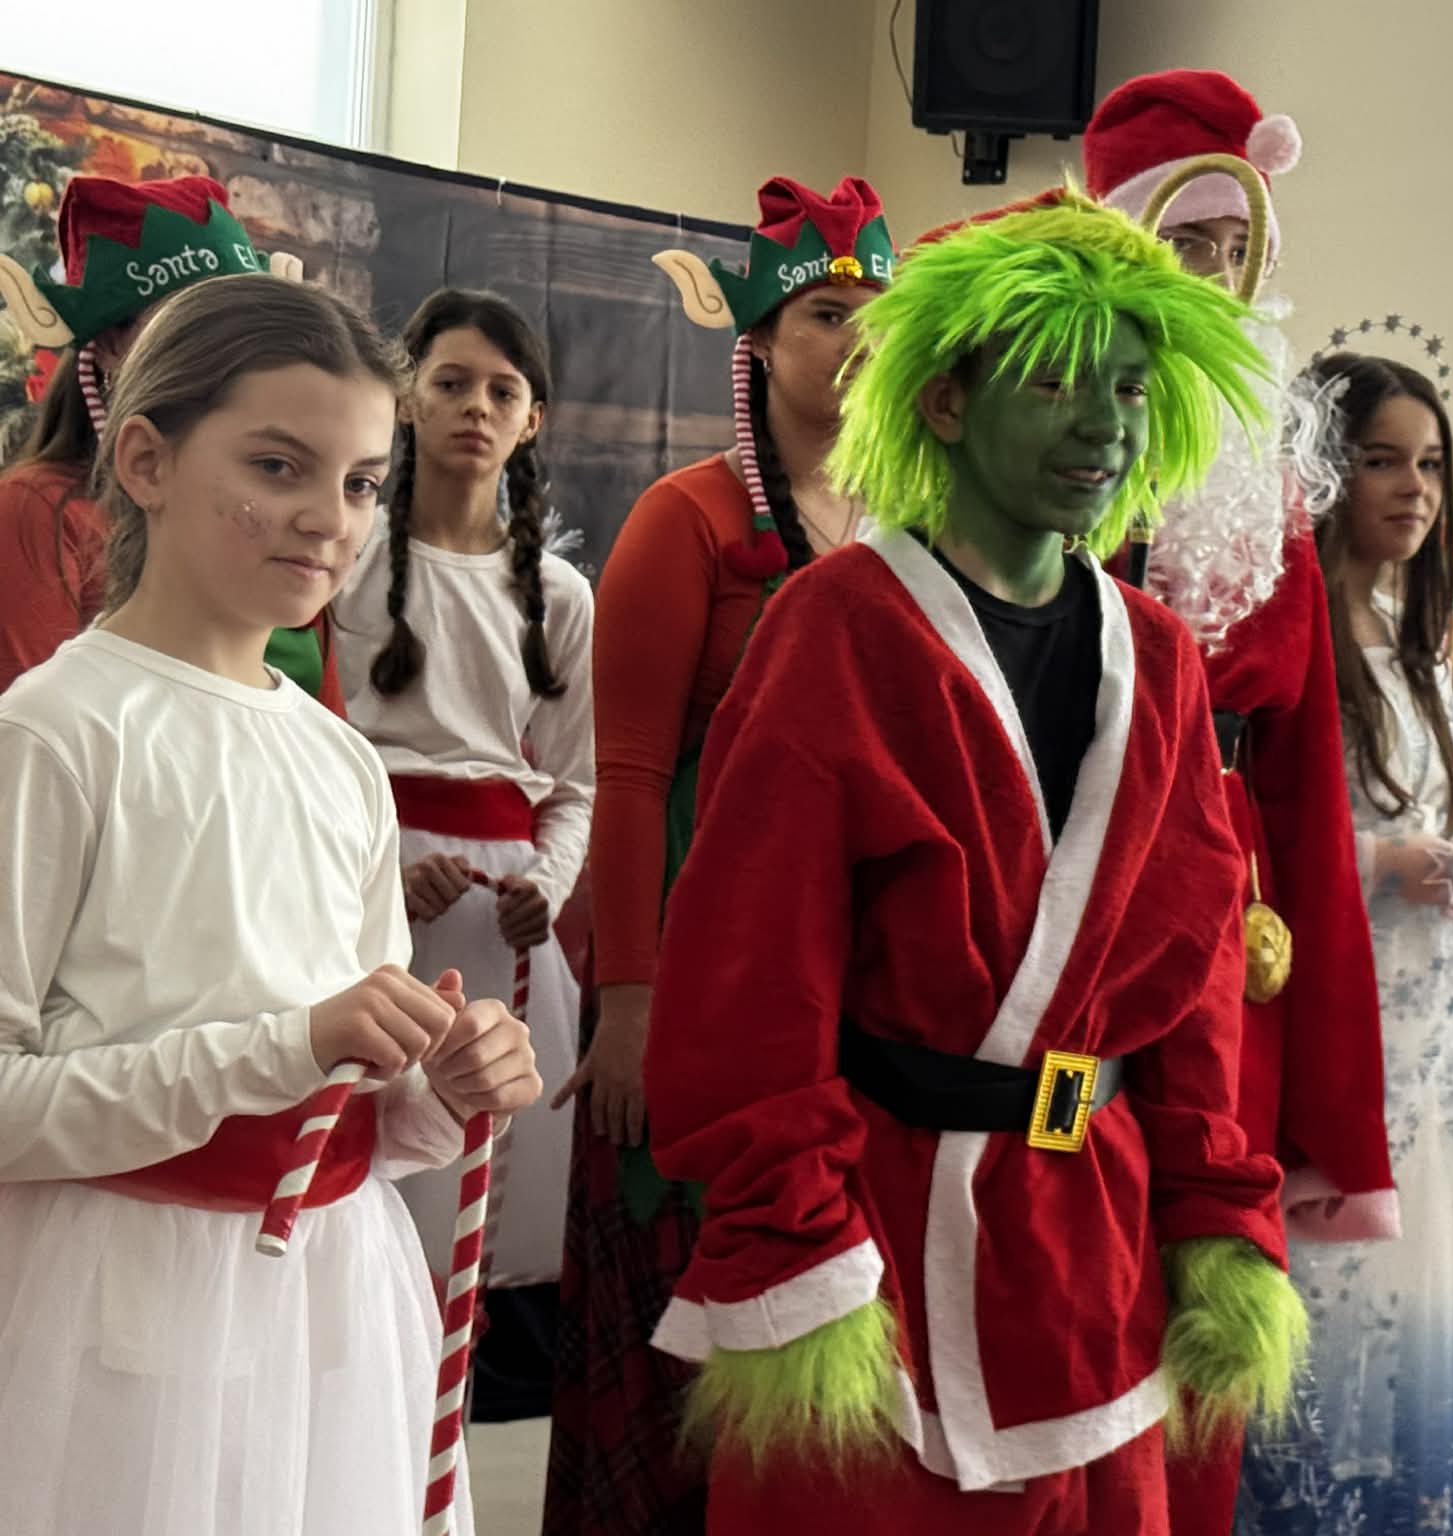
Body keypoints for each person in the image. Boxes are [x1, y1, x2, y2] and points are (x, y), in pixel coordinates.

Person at [642, 190, 1304, 1535]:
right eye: (1054, 382)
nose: (1104, 424)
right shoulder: (833, 626)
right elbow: (747, 971)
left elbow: (1193, 979)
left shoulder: (1157, 657)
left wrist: (1212, 1209)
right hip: (879, 1231)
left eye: (1129, 388)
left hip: (1096, 1234)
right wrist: (798, 1235)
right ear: (945, 402)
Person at [0, 272, 542, 1536]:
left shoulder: (340, 760)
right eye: (277, 467)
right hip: (118, 1306)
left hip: (333, 1310)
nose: (328, 519)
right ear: (146, 460)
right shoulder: (56, 735)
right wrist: (281, 1049)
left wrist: (436, 1090)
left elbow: (359, 1117)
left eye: (359, 483)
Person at [544, 175, 892, 1536]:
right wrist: (629, 1002)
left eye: (876, 313)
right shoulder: (685, 517)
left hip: (851, 969)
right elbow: (628, 774)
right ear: (757, 341)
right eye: (824, 315)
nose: (856, 340)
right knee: (678, 1299)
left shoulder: (910, 519)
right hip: (696, 952)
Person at [1082, 73, 1398, 1530]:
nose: (1210, 279)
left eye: (1233, 250)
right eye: (1183, 243)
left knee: (1208, 1259)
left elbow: (1309, 775)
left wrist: (1341, 1098)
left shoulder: (1270, 478)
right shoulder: (1038, 441)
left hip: (1232, 905)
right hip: (1067, 867)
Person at [1234, 355, 1453, 1536]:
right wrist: (1384, 863)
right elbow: (1251, 841)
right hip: (1328, 1018)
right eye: (1379, 461)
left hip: (1418, 1036)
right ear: (1323, 474)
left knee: (1410, 1290)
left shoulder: (1415, 642)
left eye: (1427, 463)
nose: (1412, 488)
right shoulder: (1286, 635)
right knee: (1326, 1292)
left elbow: (1429, 812)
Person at [329, 290, 592, 1388]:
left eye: (502, 390)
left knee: (488, 1183)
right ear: (406, 400)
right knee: (373, 1163)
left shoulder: (560, 597)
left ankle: (452, 1417)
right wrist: (389, 867)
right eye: (450, 383)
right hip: (366, 906)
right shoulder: (343, 563)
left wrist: (549, 884)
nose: (475, 408)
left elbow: (575, 784)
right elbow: (310, 750)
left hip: (502, 923)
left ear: (532, 420)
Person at [0, 173, 342, 703]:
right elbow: (33, 725)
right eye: (188, 332)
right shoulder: (38, 509)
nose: (228, 355)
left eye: (243, 329)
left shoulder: (281, 512)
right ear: (111, 344)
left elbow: (328, 731)